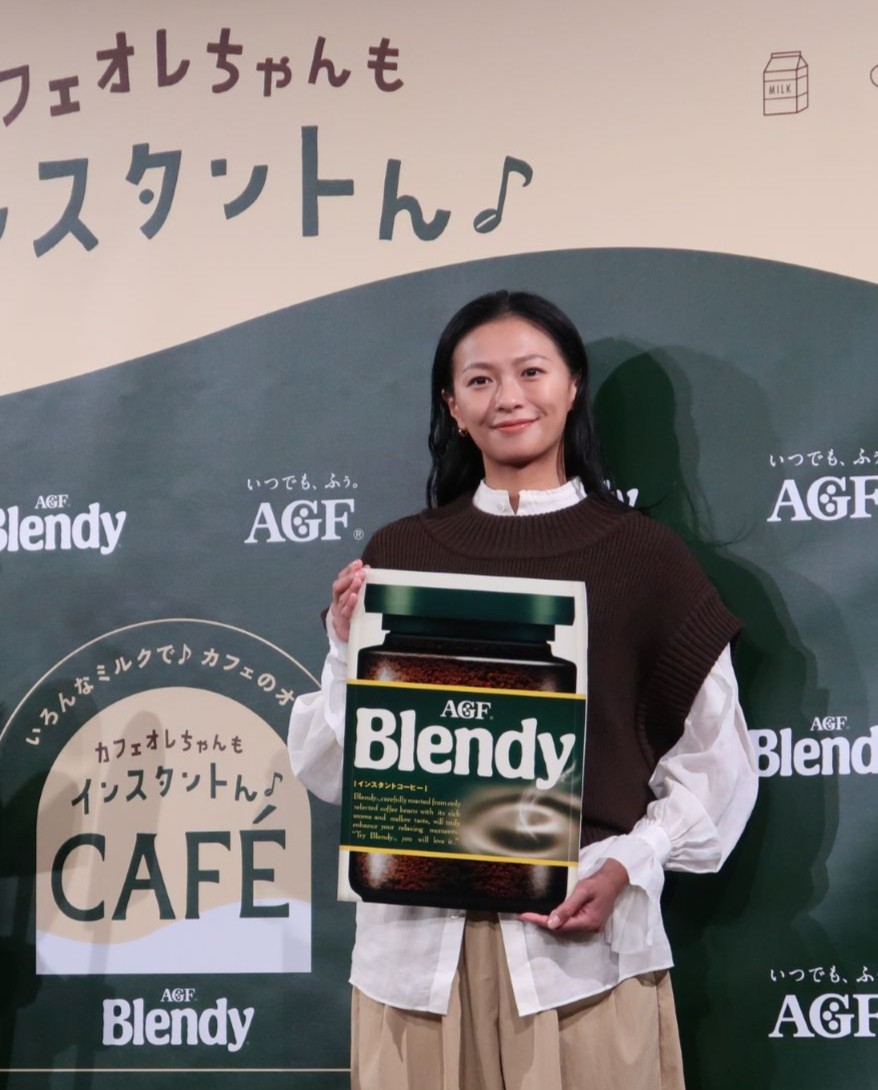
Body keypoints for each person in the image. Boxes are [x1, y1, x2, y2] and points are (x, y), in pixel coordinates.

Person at [288, 292, 758, 1090]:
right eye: (480, 380)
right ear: (453, 406)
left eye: (531, 372)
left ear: (572, 386)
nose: (507, 397)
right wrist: (344, 646)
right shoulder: (399, 556)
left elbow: (719, 765)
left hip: (579, 956)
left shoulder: (644, 558)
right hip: (414, 964)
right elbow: (334, 769)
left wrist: (631, 864)